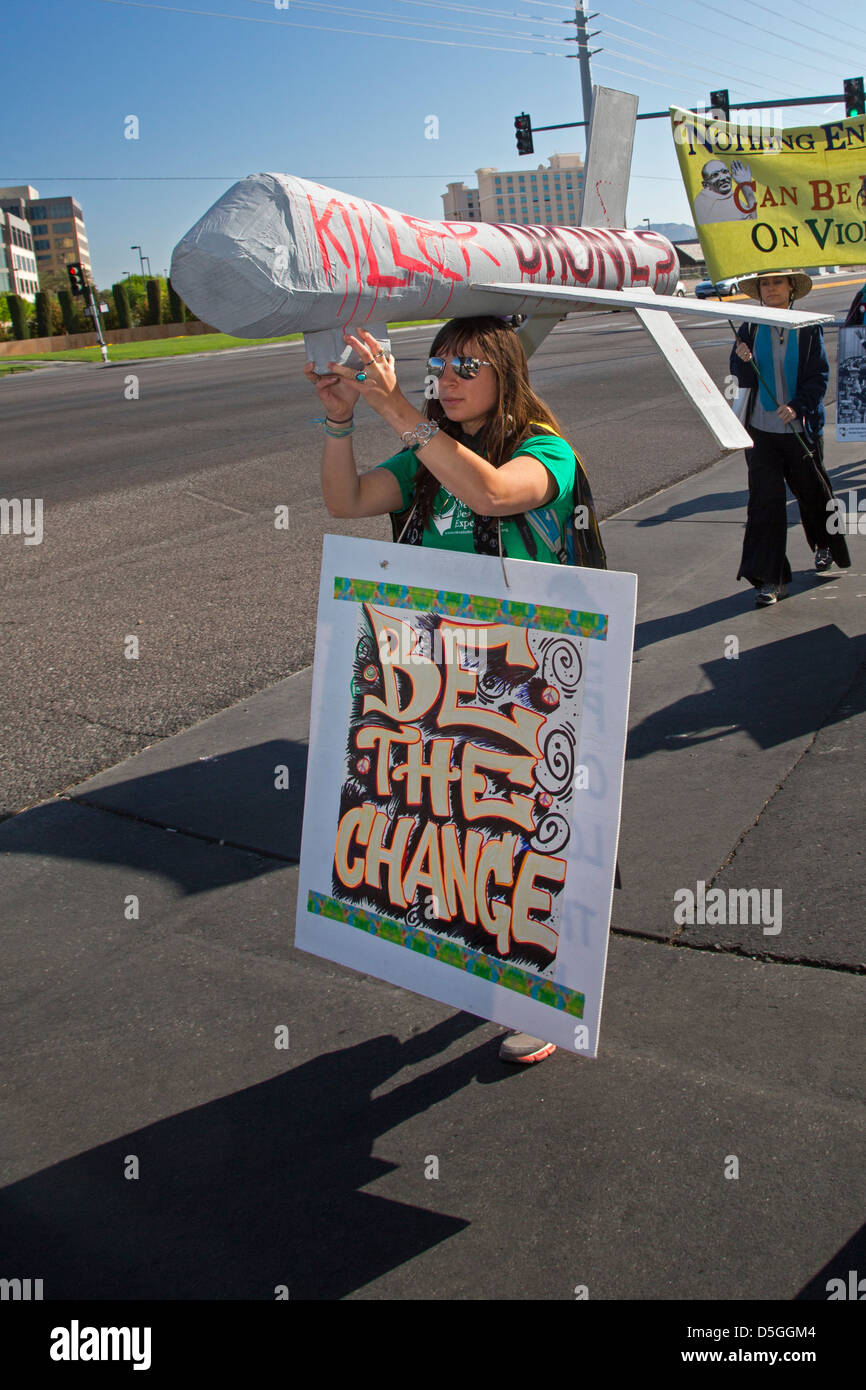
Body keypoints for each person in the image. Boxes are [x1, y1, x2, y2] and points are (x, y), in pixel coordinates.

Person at [306, 314, 605, 1065]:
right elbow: (346, 501)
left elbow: (497, 497)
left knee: (537, 837)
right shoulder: (426, 454)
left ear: (508, 373)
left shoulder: (545, 450)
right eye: (441, 365)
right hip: (438, 677)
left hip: (528, 681)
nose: (449, 379)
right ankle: (498, 965)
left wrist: (398, 412)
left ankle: (545, 993)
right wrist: (339, 421)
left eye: (469, 366)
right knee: (463, 830)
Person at [729, 270, 851, 606]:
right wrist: (741, 360)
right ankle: (771, 579)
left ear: (791, 288)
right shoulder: (749, 326)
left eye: (777, 283)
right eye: (765, 284)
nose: (771, 289)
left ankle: (824, 543)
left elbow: (819, 375)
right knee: (765, 504)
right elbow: (740, 377)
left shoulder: (807, 328)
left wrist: (798, 407)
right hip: (761, 432)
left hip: (800, 430)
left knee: (812, 493)